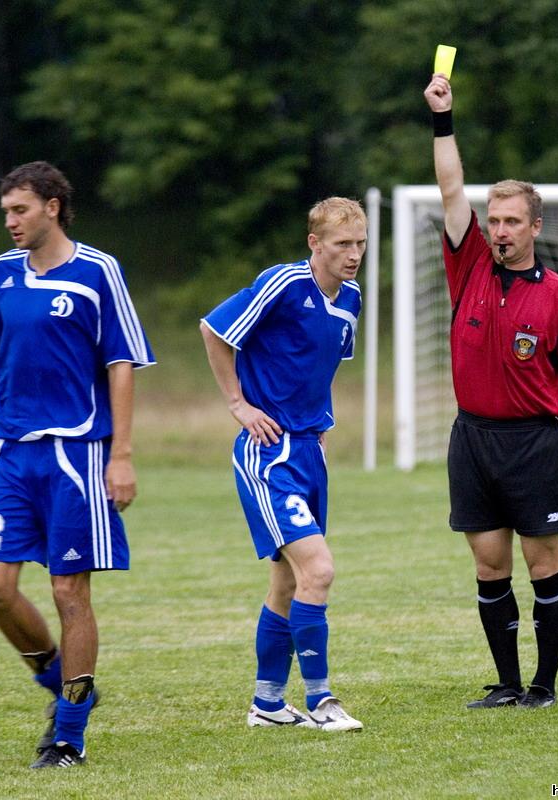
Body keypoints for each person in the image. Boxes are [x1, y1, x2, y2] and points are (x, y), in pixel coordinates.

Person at [0, 161, 155, 767]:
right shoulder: (4, 273)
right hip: (9, 452)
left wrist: (122, 454)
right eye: (6, 211)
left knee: (68, 593)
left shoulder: (97, 272)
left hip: (75, 454)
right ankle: (58, 684)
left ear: (53, 207)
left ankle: (67, 735)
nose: (10, 221)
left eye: (20, 210)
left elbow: (121, 365)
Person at [423, 74, 558, 708]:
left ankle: (545, 685)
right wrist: (443, 119)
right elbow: (450, 187)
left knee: (543, 565)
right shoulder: (469, 264)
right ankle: (507, 683)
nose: (500, 229)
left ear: (535, 225)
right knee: (488, 566)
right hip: (473, 438)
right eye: (494, 219)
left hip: (534, 441)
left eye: (512, 220)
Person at [199, 197, 366, 732]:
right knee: (319, 570)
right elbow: (214, 331)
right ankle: (321, 701)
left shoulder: (352, 300)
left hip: (309, 453)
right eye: (343, 244)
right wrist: (239, 405)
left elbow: (313, 367)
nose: (354, 254)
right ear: (314, 244)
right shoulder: (284, 283)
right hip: (266, 452)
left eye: (360, 243)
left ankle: (267, 704)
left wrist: (313, 428)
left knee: (287, 583)